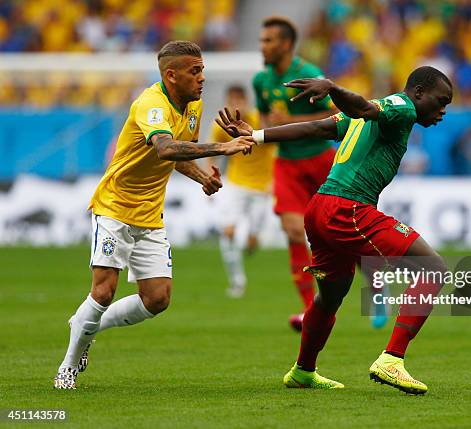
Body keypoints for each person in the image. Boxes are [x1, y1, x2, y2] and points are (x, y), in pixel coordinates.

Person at [217, 65, 453, 394]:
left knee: (330, 297)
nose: (443, 111)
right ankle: (392, 360)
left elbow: (315, 128)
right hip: (348, 208)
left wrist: (255, 136)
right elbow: (363, 107)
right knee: (433, 270)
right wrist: (332, 87)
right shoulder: (402, 107)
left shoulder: (374, 115)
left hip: (319, 209)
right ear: (418, 93)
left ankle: (303, 371)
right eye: (440, 102)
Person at [53, 40, 255, 389]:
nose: (202, 77)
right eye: (195, 71)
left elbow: (178, 155)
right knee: (103, 292)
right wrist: (223, 147)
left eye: (203, 69)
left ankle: (85, 326)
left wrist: (204, 177)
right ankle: (68, 367)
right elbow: (164, 147)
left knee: (157, 299)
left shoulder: (192, 106)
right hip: (115, 206)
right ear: (170, 75)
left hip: (149, 214)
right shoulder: (151, 103)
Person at [253, 16, 337, 331]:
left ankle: (375, 285)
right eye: (262, 40)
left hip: (320, 159)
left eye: (268, 41)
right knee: (291, 231)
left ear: (286, 44)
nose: (262, 46)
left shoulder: (308, 74)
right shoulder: (261, 81)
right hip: (287, 163)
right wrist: (271, 125)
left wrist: (290, 120)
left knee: (341, 231)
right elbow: (266, 116)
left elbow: (335, 113)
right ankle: (309, 310)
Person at [208, 85, 276, 298]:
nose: (237, 105)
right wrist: (211, 175)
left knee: (252, 241)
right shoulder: (222, 126)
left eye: (240, 100)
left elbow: (275, 149)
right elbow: (213, 149)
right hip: (236, 184)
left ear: (247, 101)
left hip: (261, 188)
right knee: (228, 232)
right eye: (232, 100)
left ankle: (252, 239)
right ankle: (237, 281)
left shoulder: (259, 120)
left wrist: (274, 180)